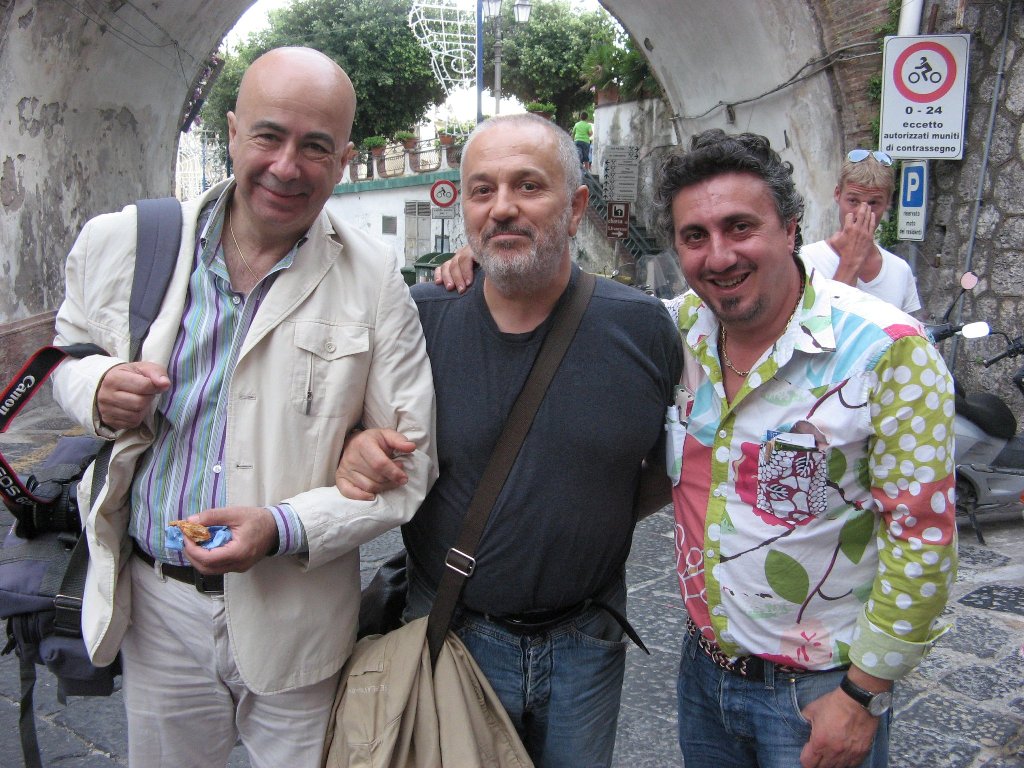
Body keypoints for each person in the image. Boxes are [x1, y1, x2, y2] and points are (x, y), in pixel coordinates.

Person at [50, 47, 436, 768]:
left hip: (300, 617)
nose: (287, 166)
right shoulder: (130, 242)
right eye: (268, 135)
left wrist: (284, 526)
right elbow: (67, 353)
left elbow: (411, 465)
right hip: (158, 606)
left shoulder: (373, 279)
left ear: (344, 160)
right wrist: (96, 386)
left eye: (315, 146)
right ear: (231, 132)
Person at [336, 113, 682, 768]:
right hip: (452, 632)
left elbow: (676, 461)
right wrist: (354, 442)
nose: (502, 207)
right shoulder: (418, 320)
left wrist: (585, 511)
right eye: (482, 190)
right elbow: (345, 423)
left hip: (588, 641)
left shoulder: (642, 329)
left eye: (528, 186)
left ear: (575, 207)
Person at [653, 129, 956, 768]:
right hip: (703, 674)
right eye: (695, 236)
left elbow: (922, 537)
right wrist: (475, 262)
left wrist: (864, 694)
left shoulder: (887, 350)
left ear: (790, 228)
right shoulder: (675, 330)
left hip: (821, 692)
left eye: (740, 227)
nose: (719, 255)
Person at [800, 149, 921, 315]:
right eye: (853, 201)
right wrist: (850, 261)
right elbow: (816, 326)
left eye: (873, 203)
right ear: (837, 194)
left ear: (888, 202)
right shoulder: (806, 260)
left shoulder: (900, 270)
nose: (861, 213)